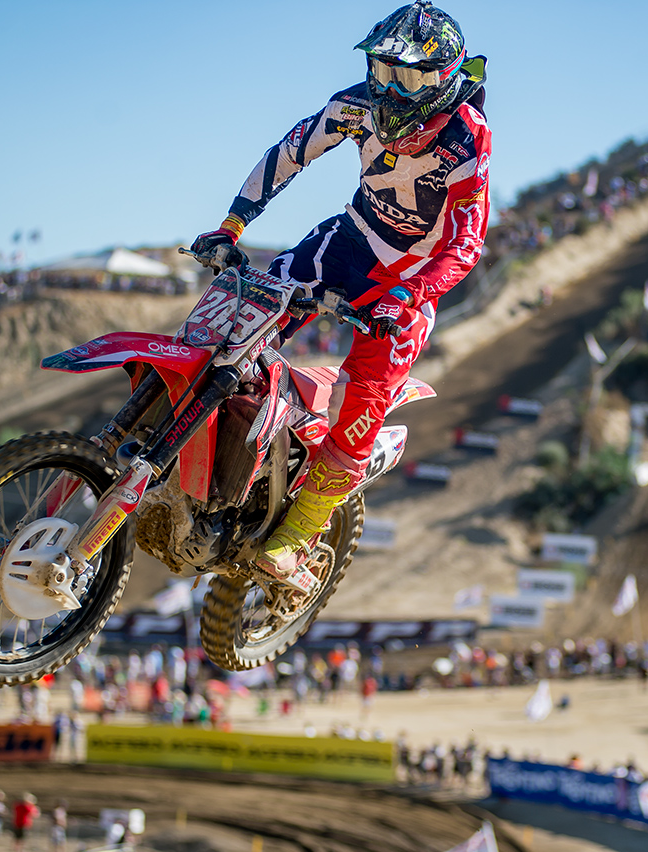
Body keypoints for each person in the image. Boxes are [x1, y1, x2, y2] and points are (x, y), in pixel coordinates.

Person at [188, 0, 490, 595]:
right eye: (383, 72)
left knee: (363, 406)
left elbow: (468, 242)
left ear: (445, 78)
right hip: (347, 242)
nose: (391, 89)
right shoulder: (355, 105)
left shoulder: (465, 137)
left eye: (407, 77)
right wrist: (232, 225)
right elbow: (289, 153)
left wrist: (408, 294)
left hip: (408, 282)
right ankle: (217, 444)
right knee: (234, 323)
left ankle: (297, 535)